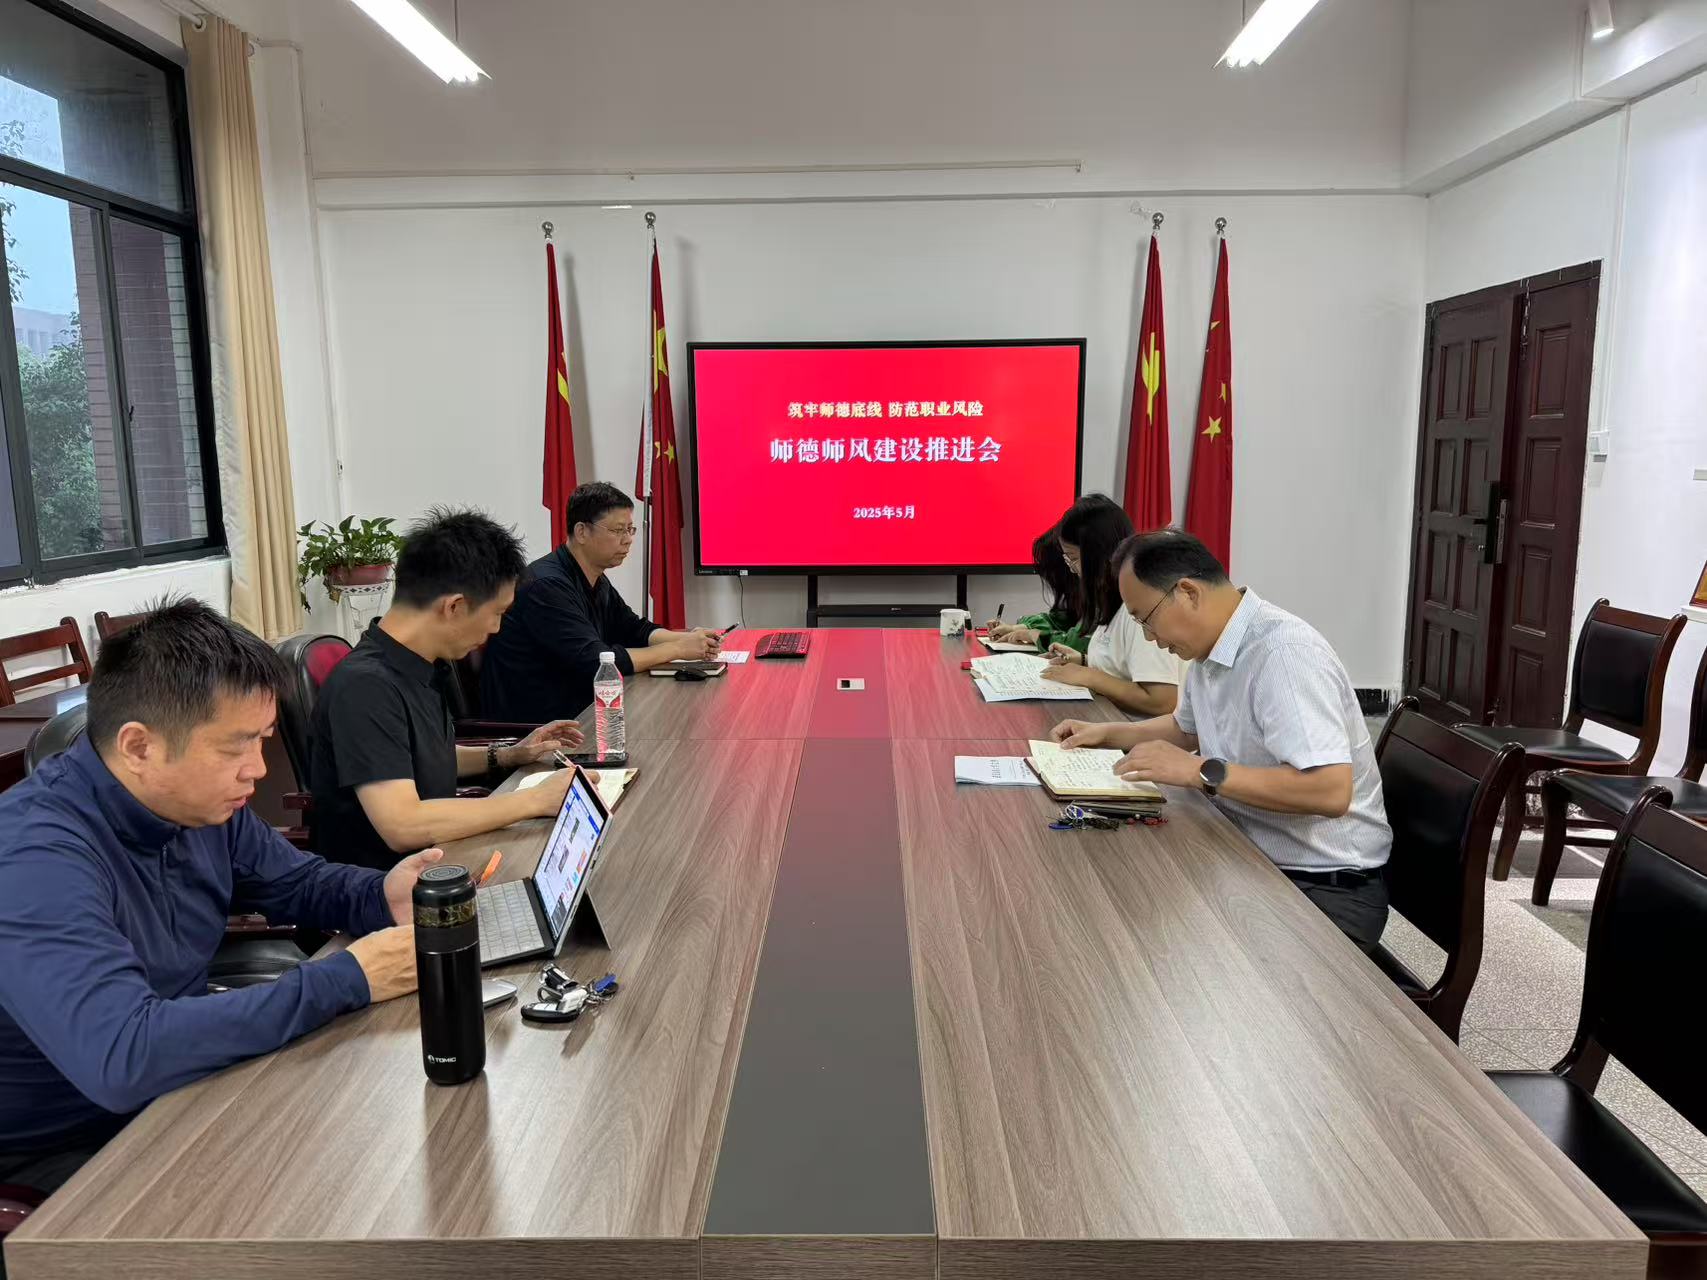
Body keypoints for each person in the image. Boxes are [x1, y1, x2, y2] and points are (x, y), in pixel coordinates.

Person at [0, 599, 435, 1220]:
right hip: (68, 1151)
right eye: (236, 747)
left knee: (379, 1146)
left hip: (180, 1087)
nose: (258, 770)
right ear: (139, 746)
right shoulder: (32, 857)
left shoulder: (196, 804)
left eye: (262, 739)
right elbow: (122, 1056)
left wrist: (380, 893)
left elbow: (297, 882)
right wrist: (350, 978)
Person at [1051, 530, 1392, 950]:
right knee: (1122, 898)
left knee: (1158, 946)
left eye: (1146, 619)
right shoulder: (1212, 647)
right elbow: (1185, 729)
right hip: (1247, 854)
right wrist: (1108, 734)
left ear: (1188, 592)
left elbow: (1329, 791)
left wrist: (1200, 771)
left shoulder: (1283, 655)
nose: (1150, 637)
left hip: (1322, 887)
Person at [311, 508, 584, 871]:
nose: (496, 628)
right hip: (389, 888)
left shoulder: (418, 664)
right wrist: (535, 800)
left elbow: (421, 757)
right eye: (497, 613)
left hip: (444, 860)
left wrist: (509, 755)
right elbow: (402, 824)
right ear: (454, 607)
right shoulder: (366, 686)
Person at [480, 481, 724, 723]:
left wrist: (688, 639)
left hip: (580, 713)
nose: (628, 540)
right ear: (582, 532)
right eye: (618, 530)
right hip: (540, 726)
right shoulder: (546, 586)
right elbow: (597, 662)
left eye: (630, 530)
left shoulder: (594, 577)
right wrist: (678, 650)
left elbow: (633, 629)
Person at [1038, 495, 1182, 716]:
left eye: (1073, 559)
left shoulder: (1139, 608)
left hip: (1135, 731)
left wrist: (1091, 677)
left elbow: (1163, 701)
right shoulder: (1111, 600)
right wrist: (1084, 662)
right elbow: (1124, 671)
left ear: (1098, 556)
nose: (1073, 570)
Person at [984, 523, 1088, 656]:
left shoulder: (1098, 598)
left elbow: (1075, 642)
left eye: (1072, 559)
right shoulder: (1076, 600)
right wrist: (1017, 628)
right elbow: (1058, 621)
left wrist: (1034, 635)